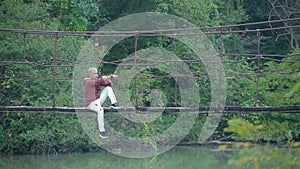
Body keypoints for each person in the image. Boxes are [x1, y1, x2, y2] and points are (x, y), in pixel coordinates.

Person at [84, 67, 119, 138]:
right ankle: (102, 131)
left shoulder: (95, 81)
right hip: (91, 104)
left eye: (97, 74)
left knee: (108, 89)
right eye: (94, 74)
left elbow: (108, 85)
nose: (96, 75)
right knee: (100, 110)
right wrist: (110, 76)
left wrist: (108, 80)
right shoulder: (88, 81)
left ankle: (114, 104)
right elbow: (100, 81)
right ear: (90, 74)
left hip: (97, 101)